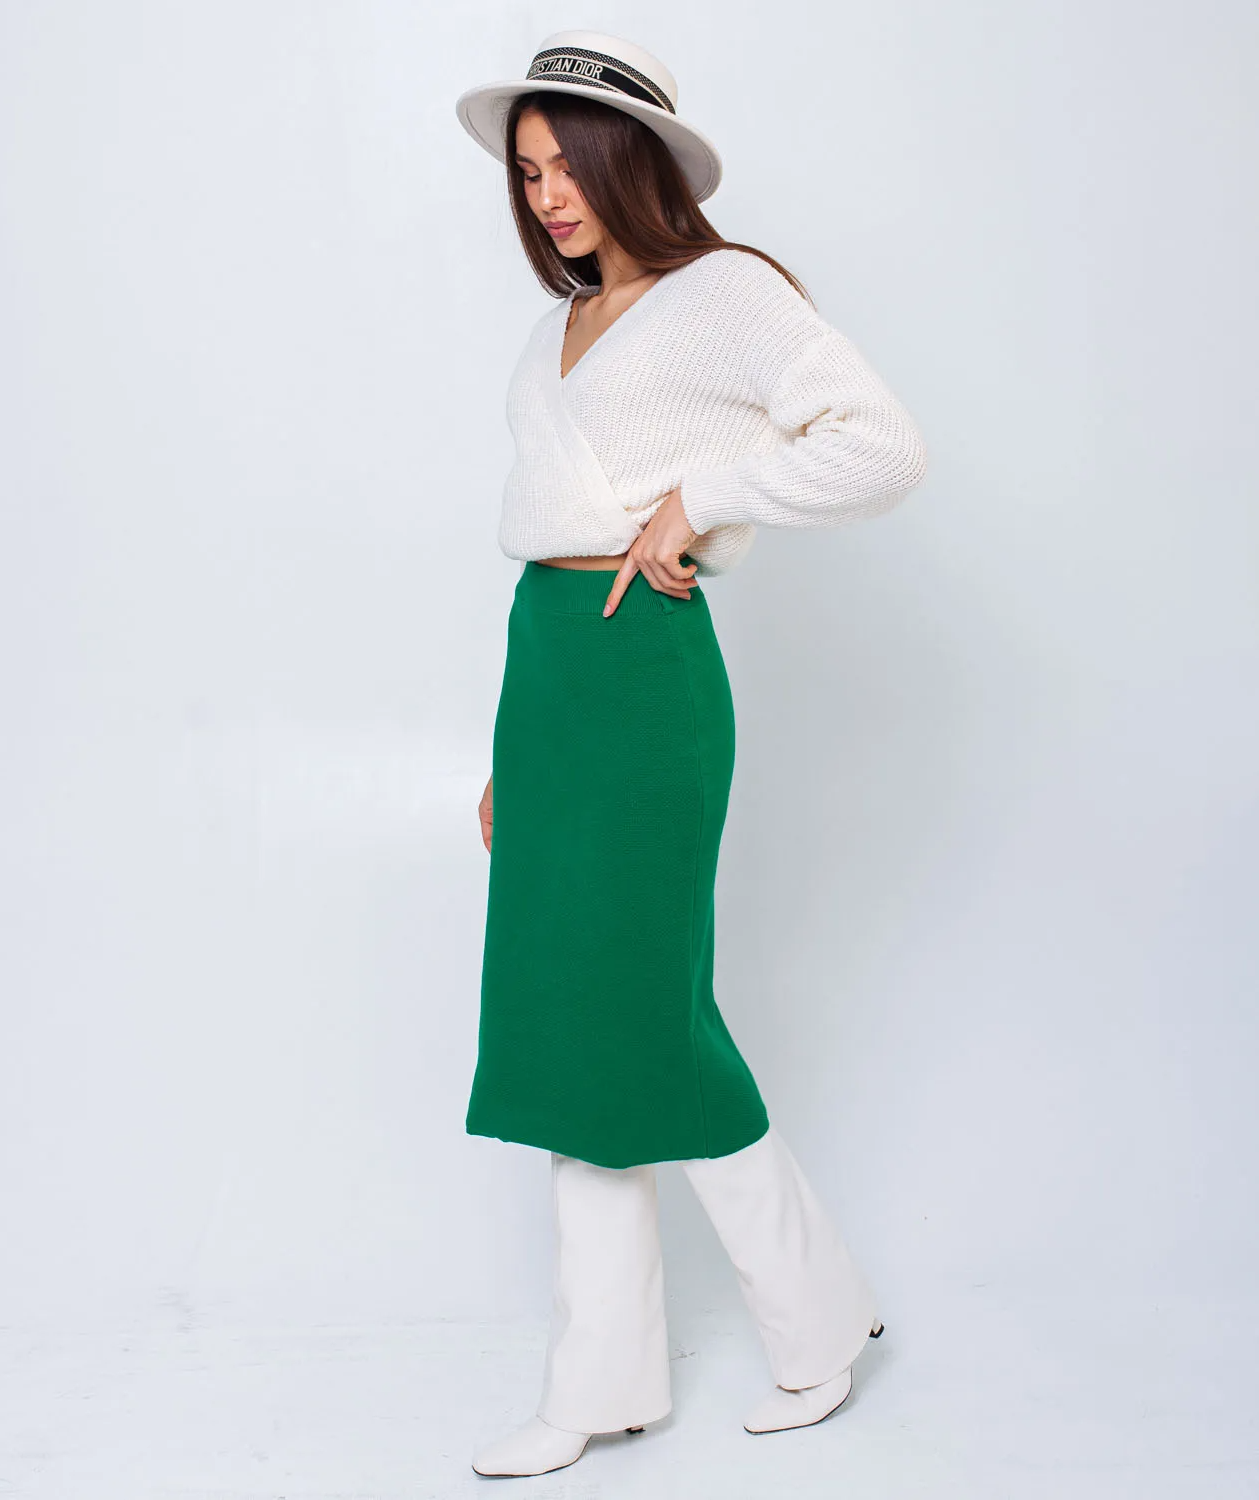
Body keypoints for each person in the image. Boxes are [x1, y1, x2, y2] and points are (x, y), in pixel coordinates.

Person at [454, 30, 927, 1479]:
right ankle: (607, 1380)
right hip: (551, 675)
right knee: (563, 1024)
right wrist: (512, 754)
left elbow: (881, 444)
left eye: (568, 165)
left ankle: (814, 1323)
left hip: (646, 672)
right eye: (527, 173)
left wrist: (704, 498)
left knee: (647, 1018)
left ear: (632, 162)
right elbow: (544, 534)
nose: (548, 196)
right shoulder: (556, 330)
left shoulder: (724, 295)